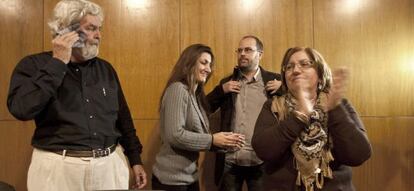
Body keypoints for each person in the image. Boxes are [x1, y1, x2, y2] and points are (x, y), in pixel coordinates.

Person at [7, 0, 147, 190]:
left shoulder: (106, 69)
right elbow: (21, 109)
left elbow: (122, 118)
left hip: (109, 167)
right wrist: (57, 63)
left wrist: (135, 159)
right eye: (91, 28)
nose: (99, 35)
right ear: (66, 30)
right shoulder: (34, 65)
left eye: (100, 29)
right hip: (58, 170)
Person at [252, 47, 372, 191]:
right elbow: (263, 150)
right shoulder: (273, 106)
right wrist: (298, 117)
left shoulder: (340, 105)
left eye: (305, 64)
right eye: (289, 67)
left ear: (320, 75)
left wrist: (335, 111)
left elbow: (358, 155)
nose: (295, 70)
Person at [152, 44, 245, 191]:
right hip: (172, 181)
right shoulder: (178, 89)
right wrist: (213, 140)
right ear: (189, 62)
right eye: (203, 62)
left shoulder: (195, 95)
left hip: (189, 177)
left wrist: (224, 143)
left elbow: (198, 137)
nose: (208, 69)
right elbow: (175, 135)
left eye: (210, 65)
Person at [207, 35, 282, 191]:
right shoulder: (227, 83)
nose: (242, 54)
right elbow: (204, 108)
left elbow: (298, 104)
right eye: (239, 50)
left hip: (262, 162)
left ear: (260, 54)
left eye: (248, 50)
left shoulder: (275, 81)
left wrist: (284, 88)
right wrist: (221, 90)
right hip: (230, 161)